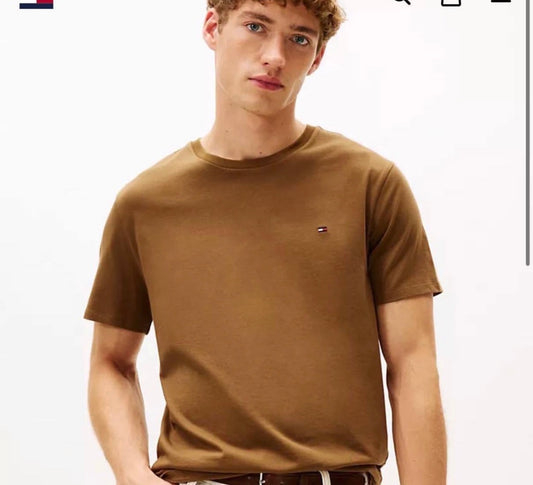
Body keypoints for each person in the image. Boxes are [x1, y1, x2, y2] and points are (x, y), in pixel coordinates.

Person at [83, 1, 447, 485]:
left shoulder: (370, 185)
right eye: (256, 26)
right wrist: (132, 474)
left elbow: (413, 363)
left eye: (299, 38)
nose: (275, 56)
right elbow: (110, 362)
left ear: (317, 58)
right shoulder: (145, 204)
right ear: (213, 27)